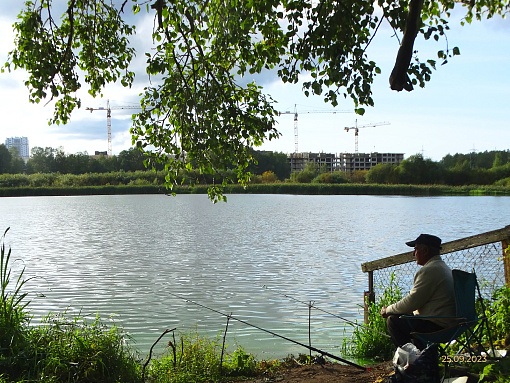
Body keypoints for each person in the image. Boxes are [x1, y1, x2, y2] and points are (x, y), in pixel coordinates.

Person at [380, 234, 456, 349]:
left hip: (437, 326)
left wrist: (388, 310)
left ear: (425, 250)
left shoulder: (430, 270)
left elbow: (412, 302)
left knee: (393, 320)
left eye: (415, 249)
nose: (413, 253)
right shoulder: (443, 267)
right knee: (407, 317)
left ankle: (412, 359)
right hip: (451, 325)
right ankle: (423, 355)